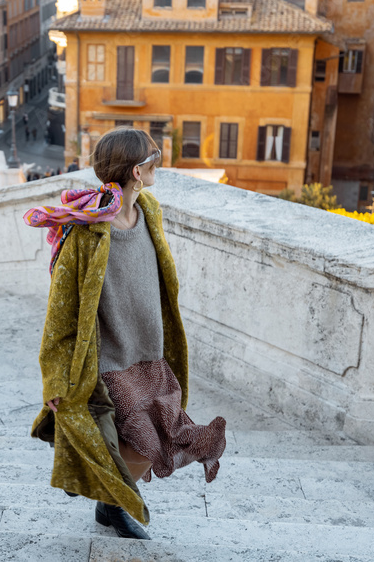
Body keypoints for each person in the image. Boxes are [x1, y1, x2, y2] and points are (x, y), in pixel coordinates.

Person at [23, 127, 227, 540]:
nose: (159, 166)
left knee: (161, 435)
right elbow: (60, 311)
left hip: (150, 351)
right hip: (111, 358)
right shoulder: (85, 231)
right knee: (138, 442)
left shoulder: (149, 211)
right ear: (137, 170)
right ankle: (116, 506)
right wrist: (57, 378)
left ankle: (106, 500)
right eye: (155, 160)